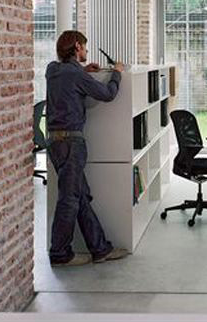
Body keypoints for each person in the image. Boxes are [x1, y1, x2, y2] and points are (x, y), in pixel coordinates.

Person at [45, 30, 129, 267]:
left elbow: (69, 79)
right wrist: (117, 73)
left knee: (80, 196)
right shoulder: (75, 74)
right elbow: (107, 94)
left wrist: (84, 71)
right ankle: (59, 253)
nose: (87, 51)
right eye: (84, 46)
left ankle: (100, 249)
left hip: (54, 143)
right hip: (72, 144)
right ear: (77, 46)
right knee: (69, 200)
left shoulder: (52, 70)